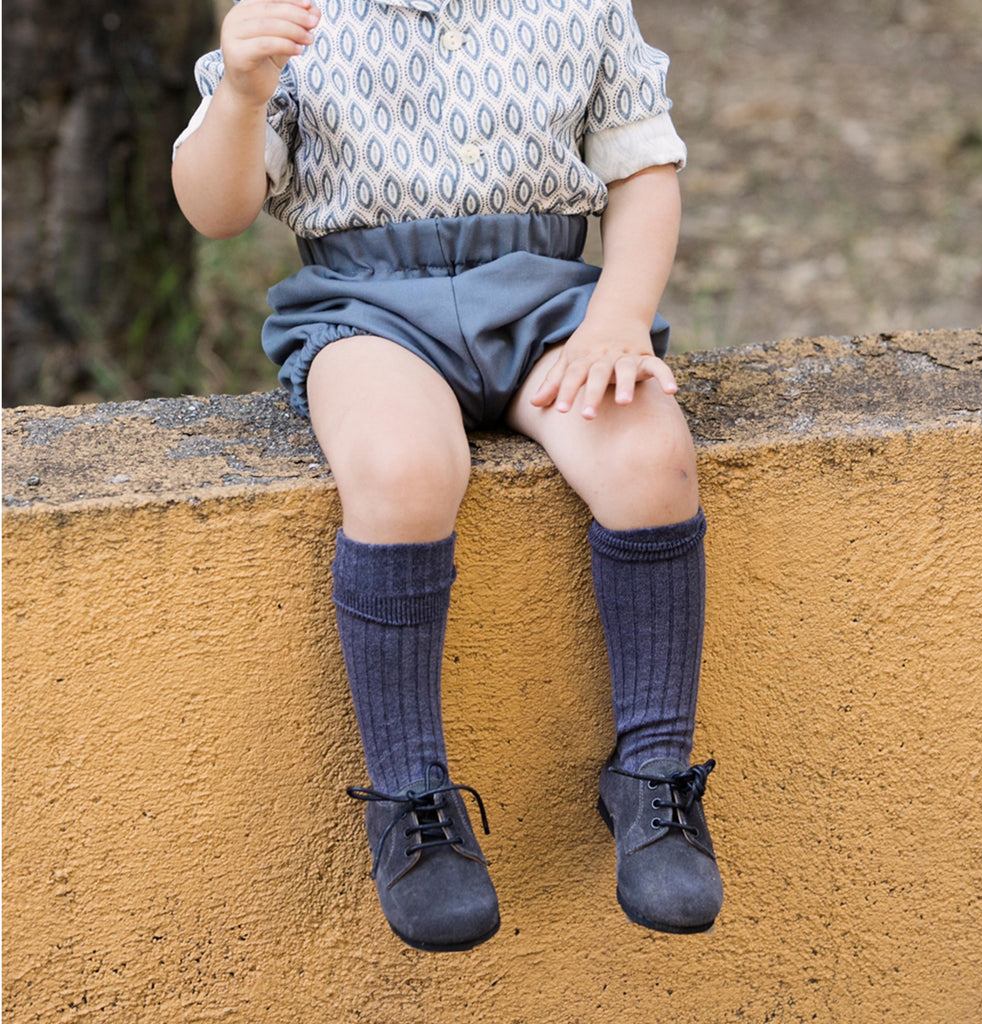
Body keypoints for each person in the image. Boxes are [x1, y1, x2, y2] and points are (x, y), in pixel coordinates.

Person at [172, 0, 723, 952]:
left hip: (549, 304)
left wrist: (618, 319)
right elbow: (215, 210)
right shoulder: (297, 12)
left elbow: (645, 170)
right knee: (402, 467)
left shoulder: (583, 7)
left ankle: (653, 775)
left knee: (652, 458)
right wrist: (242, 92)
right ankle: (411, 793)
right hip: (366, 308)